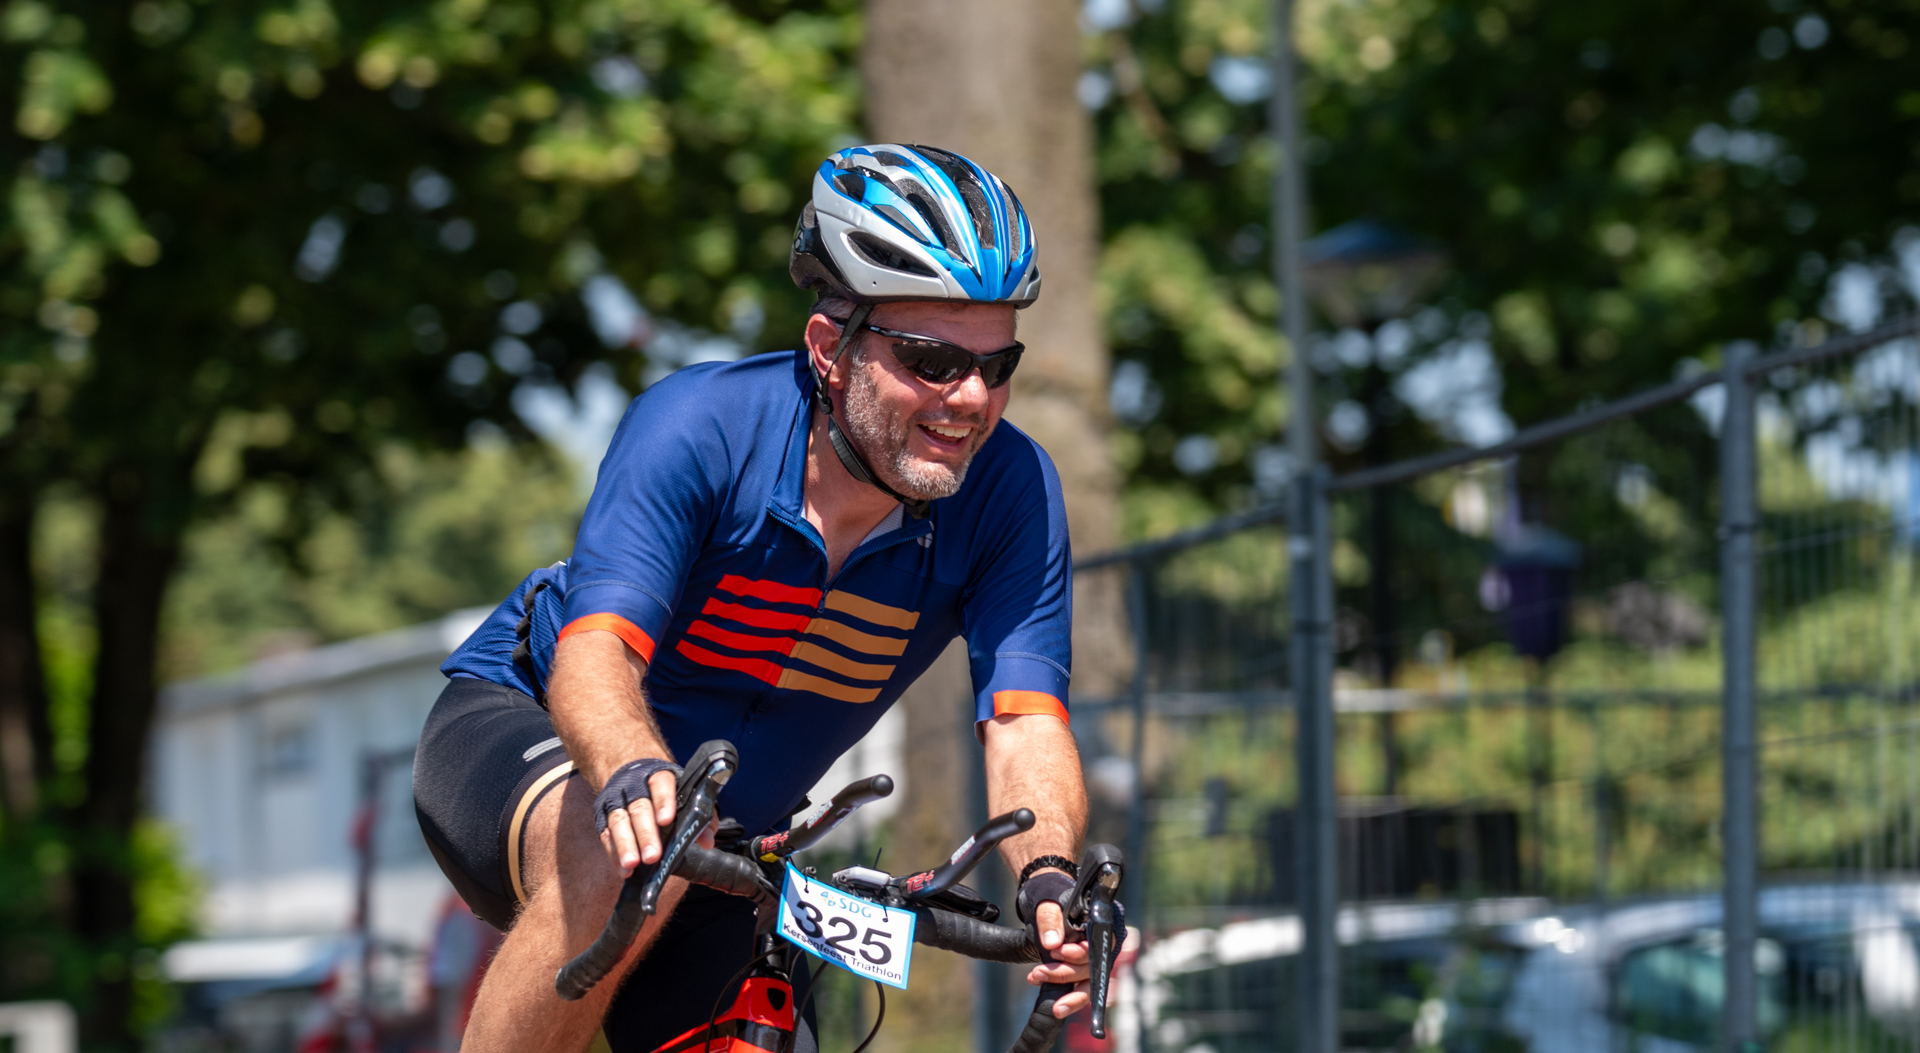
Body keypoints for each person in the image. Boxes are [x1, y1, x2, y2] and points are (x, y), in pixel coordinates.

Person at [413, 143, 1095, 1053]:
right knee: (631, 858)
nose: (971, 397)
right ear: (830, 348)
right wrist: (631, 770)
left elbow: (1023, 722)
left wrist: (1049, 876)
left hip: (731, 840)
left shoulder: (1011, 489)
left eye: (996, 362)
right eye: (932, 360)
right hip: (539, 740)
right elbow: (595, 653)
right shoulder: (700, 426)